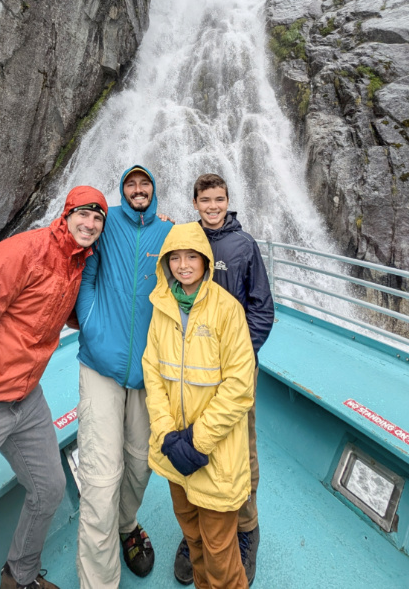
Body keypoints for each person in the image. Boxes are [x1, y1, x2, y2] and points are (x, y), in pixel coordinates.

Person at [0, 186, 108, 589]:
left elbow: (75, 312)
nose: (90, 223)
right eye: (84, 214)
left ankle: (19, 576)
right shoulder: (20, 253)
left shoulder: (80, 263)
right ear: (65, 214)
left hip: (24, 399)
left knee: (50, 489)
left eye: (98, 218)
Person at [173, 173, 274, 586]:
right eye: (205, 200)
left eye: (219, 199)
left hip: (232, 375)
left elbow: (262, 311)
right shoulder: (185, 242)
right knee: (193, 446)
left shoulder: (244, 245)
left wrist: (236, 360)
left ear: (228, 200)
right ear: (195, 203)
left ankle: (246, 531)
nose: (212, 206)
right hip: (189, 372)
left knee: (241, 456)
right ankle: (193, 533)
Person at [74, 164, 172, 588]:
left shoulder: (168, 233)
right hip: (101, 363)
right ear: (122, 189)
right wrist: (90, 324)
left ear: (153, 191)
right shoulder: (105, 220)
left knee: (139, 463)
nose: (137, 189)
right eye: (131, 183)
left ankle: (127, 524)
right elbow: (84, 269)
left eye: (144, 184)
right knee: (99, 475)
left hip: (150, 370)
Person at [143, 222, 255, 589]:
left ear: (206, 261)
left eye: (192, 256)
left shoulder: (227, 310)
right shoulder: (161, 308)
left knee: (222, 556)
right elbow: (153, 373)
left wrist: (197, 441)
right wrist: (166, 434)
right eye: (175, 257)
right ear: (166, 263)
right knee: (194, 541)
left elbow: (239, 386)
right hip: (174, 453)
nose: (183, 265)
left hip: (214, 456)